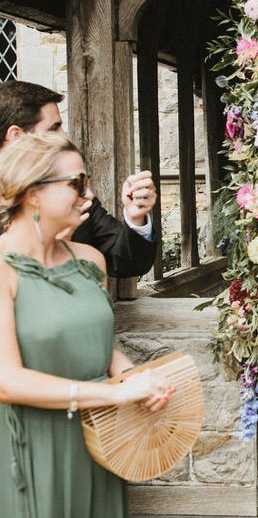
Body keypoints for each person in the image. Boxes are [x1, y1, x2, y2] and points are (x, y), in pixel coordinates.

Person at [0, 133, 173, 517]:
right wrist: (115, 395)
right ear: (32, 193)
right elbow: (6, 382)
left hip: (101, 437)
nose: (88, 195)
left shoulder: (90, 260)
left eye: (87, 182)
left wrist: (131, 376)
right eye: (76, 184)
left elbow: (93, 341)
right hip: (35, 441)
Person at [0, 80, 157, 278]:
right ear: (16, 135)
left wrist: (136, 218)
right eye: (54, 128)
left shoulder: (75, 194)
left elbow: (125, 263)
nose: (64, 136)